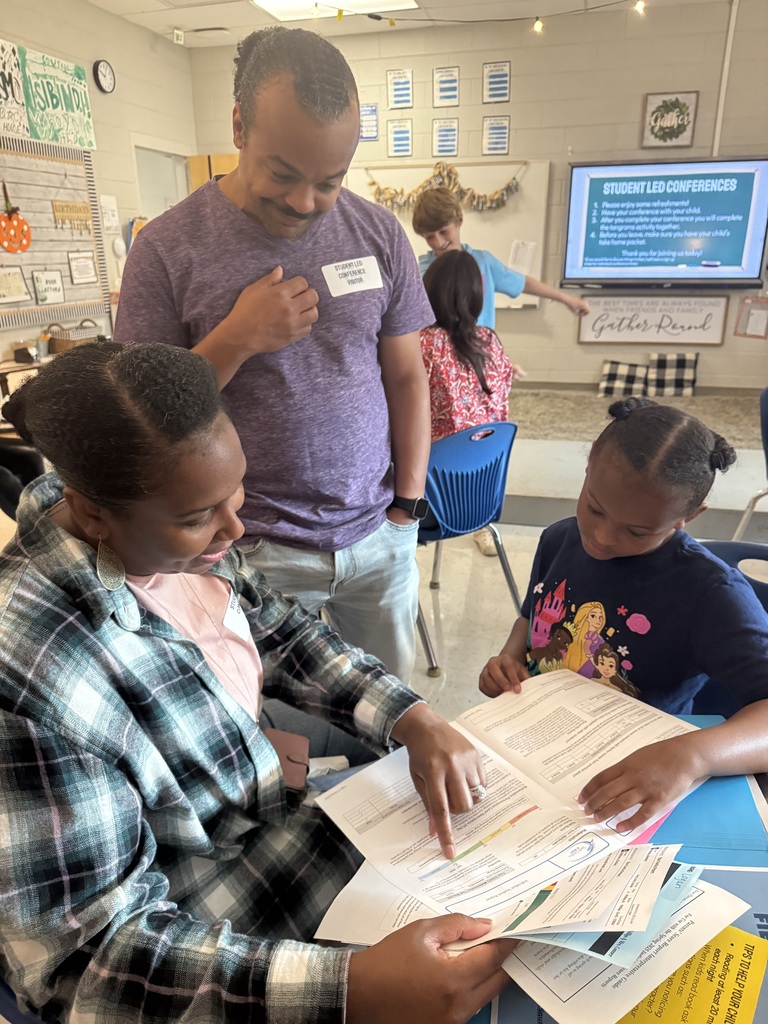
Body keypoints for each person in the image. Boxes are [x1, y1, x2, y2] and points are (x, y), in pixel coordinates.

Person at [0, 342, 517, 1024]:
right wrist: (350, 989)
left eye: (236, 489)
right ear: (94, 513)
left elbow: (280, 631)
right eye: (197, 517)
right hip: (220, 940)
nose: (235, 529)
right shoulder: (32, 675)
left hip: (285, 841)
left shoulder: (160, 538)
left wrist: (410, 718)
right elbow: (86, 963)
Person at [112, 27, 433, 683]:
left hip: (377, 537)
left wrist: (408, 505)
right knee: (278, 743)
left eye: (329, 182)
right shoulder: (168, 248)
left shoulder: (378, 232)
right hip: (250, 547)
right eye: (283, 174)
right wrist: (237, 337)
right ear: (238, 125)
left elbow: (405, 375)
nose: (304, 202)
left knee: (393, 720)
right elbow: (138, 419)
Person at [479, 397, 768, 834]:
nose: (600, 536)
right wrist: (509, 659)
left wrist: (692, 756)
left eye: (636, 531)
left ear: (688, 517)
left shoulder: (711, 594)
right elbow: (531, 616)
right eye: (594, 507)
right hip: (539, 751)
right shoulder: (560, 538)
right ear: (587, 470)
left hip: (635, 776)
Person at [420, 249, 525, 556]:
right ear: (478, 297)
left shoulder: (419, 344)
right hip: (481, 500)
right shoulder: (490, 341)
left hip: (429, 507)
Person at [412, 186, 590, 330]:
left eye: (444, 231)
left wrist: (567, 299)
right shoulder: (423, 271)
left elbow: (523, 283)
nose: (438, 242)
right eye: (429, 237)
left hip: (480, 357)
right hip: (442, 362)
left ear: (459, 220)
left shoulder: (483, 262)